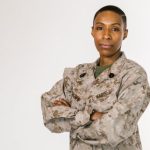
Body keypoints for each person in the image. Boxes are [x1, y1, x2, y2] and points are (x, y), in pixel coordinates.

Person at [41, 5, 150, 150]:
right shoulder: (77, 74)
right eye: (100, 28)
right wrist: (90, 116)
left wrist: (73, 123)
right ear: (92, 31)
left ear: (125, 33)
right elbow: (49, 114)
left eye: (115, 29)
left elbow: (114, 129)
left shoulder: (134, 75)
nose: (106, 35)